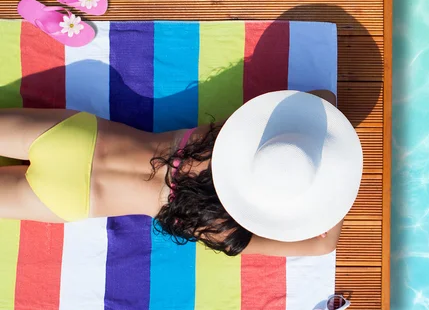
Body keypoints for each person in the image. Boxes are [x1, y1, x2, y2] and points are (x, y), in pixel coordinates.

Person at [0, 89, 363, 256]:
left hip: (79, 140)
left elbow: (322, 99)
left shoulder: (226, 141)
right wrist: (326, 201)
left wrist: (331, 171)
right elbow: (322, 245)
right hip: (70, 197)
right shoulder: (220, 227)